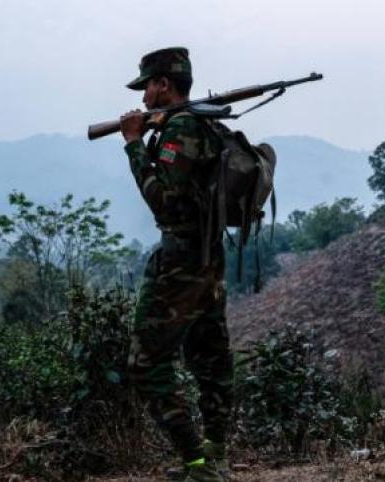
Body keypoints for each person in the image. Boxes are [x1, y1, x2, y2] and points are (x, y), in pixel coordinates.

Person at [119, 47, 233, 482]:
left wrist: (133, 144)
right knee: (210, 359)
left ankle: (197, 463)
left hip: (182, 260)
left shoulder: (181, 128)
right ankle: (214, 456)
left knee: (145, 363)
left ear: (163, 84)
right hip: (208, 257)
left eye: (147, 85)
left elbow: (163, 201)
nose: (144, 96)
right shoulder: (200, 123)